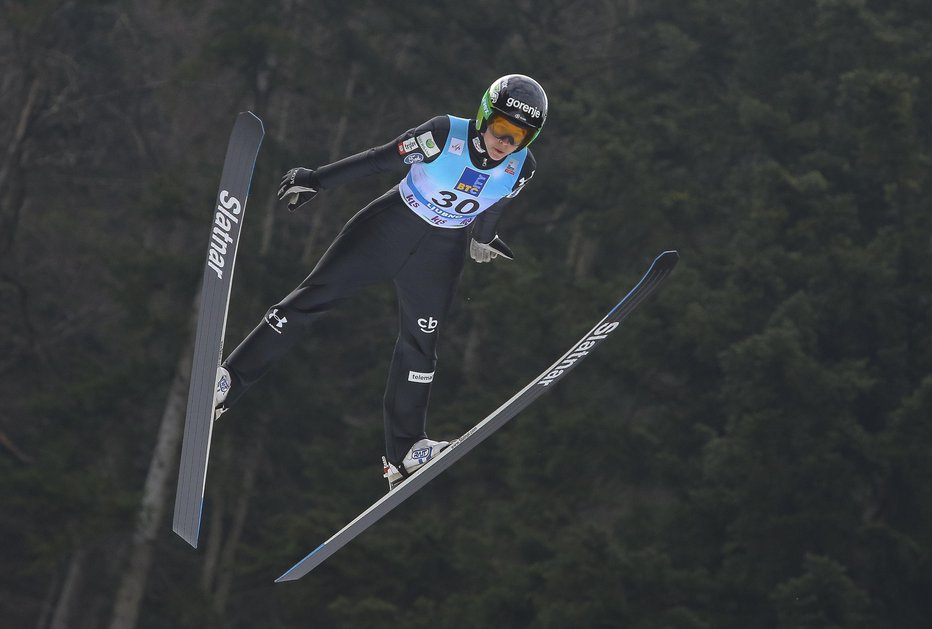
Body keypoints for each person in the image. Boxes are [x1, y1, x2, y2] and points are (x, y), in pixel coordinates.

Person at [213, 74, 547, 490]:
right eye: (502, 129)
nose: (506, 143)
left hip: (440, 255)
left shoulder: (522, 167)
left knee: (421, 348)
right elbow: (381, 159)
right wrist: (317, 180)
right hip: (389, 228)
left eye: (519, 136)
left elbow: (495, 202)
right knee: (308, 301)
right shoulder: (444, 134)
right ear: (484, 116)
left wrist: (483, 237)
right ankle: (227, 382)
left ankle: (404, 453)